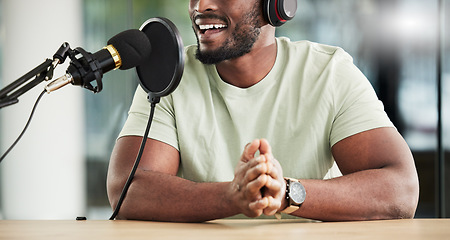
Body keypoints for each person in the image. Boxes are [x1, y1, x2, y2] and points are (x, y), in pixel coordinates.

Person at [106, 0, 419, 222]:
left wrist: (284, 194)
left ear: (276, 5)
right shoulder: (172, 75)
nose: (200, 5)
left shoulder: (329, 71)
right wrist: (233, 196)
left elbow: (400, 188)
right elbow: (127, 188)